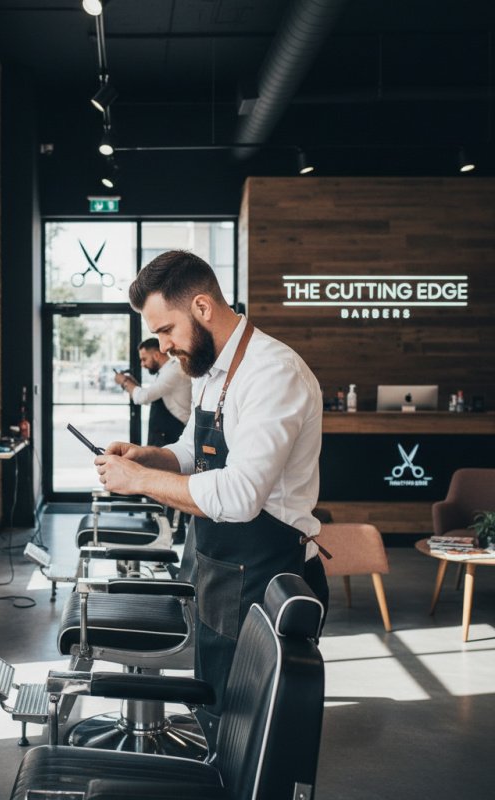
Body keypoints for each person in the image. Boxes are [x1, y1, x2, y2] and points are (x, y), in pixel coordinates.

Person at [94, 250, 329, 719]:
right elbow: (192, 450)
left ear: (202, 307)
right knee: (214, 704)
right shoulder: (208, 368)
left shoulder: (272, 373)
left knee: (246, 722)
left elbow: (241, 496)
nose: (163, 347)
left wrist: (140, 480)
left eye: (167, 330)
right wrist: (148, 456)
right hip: (220, 567)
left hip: (268, 575)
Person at [114, 337, 191, 447]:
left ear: (156, 355)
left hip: (174, 433)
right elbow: (152, 397)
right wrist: (131, 383)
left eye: (144, 359)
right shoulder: (165, 372)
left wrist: (124, 381)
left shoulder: (173, 371)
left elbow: (143, 397)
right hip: (164, 433)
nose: (142, 364)